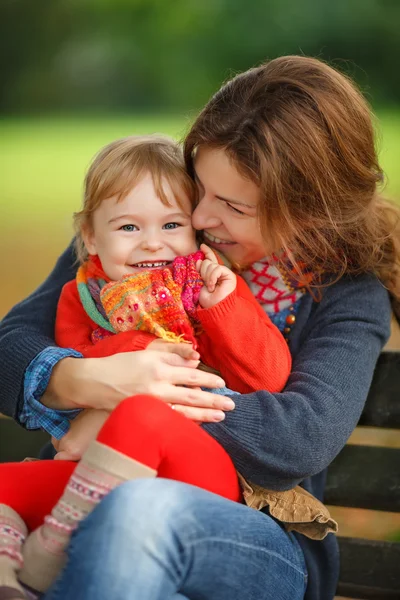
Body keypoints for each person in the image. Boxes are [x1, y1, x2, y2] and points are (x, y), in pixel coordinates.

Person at [0, 55, 399, 600]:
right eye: (199, 189)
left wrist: (147, 403)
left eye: (231, 205)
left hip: (254, 537)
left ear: (304, 211)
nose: (202, 219)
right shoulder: (152, 237)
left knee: (137, 508)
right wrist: (88, 381)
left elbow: (298, 438)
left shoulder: (347, 295)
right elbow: (10, 347)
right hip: (82, 490)